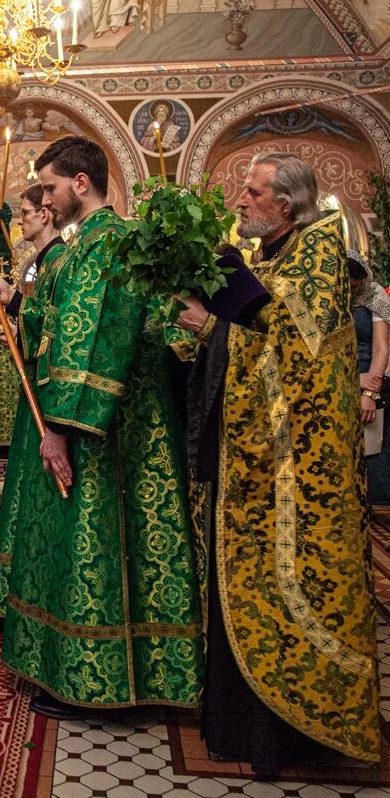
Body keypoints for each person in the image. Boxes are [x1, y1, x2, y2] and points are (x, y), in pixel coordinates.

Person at [175, 152, 380, 772]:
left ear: (284, 205)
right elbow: (251, 334)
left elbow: (295, 337)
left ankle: (295, 735)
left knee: (289, 590)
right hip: (249, 465)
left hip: (294, 475)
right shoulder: (271, 255)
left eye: (252, 191)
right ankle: (241, 732)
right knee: (241, 593)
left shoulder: (320, 250)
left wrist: (222, 304)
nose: (240, 199)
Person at [0, 137, 202, 716]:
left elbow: (89, 345)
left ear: (81, 183)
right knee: (121, 544)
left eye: (52, 187)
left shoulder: (106, 244)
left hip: (103, 428)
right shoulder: (92, 243)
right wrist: (19, 305)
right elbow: (61, 320)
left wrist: (58, 426)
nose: (47, 198)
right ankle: (126, 675)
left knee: (98, 542)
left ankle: (96, 685)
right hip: (117, 420)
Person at [0, 185, 66, 617]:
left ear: (47, 214)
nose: (21, 220)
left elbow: (59, 329)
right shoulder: (38, 262)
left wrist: (12, 301)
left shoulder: (58, 260)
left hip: (48, 393)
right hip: (34, 383)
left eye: (27, 212)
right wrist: (13, 330)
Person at [348, 251, 390, 458]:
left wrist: (369, 394)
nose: (349, 292)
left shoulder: (374, 294)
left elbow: (381, 348)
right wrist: (352, 380)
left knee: (371, 457)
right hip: (339, 379)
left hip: (371, 376)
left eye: (354, 287)